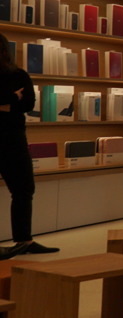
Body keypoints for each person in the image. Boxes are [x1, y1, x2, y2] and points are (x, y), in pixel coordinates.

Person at [0, 32, 57, 259]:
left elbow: (30, 103)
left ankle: (24, 240)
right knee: (23, 190)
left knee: (24, 189)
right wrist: (13, 98)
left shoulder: (18, 74)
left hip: (14, 140)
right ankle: (23, 240)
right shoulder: (17, 76)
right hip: (13, 136)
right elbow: (21, 102)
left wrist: (6, 103)